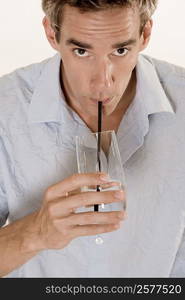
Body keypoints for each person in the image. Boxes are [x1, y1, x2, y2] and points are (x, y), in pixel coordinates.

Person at [0, 0, 185, 278]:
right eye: (81, 50)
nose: (102, 84)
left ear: (145, 34)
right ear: (52, 33)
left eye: (121, 50)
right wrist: (35, 232)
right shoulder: (6, 109)